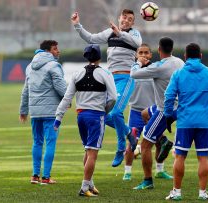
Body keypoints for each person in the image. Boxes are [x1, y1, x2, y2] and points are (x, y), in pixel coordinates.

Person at [71, 9, 142, 167]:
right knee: (103, 114)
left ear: (133, 22)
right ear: (119, 18)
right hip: (111, 78)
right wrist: (77, 25)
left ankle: (121, 148)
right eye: (124, 18)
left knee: (116, 112)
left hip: (127, 77)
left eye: (130, 19)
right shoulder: (110, 32)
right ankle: (130, 133)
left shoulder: (134, 34)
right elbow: (91, 38)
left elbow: (137, 44)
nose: (126, 21)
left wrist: (120, 33)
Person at [164, 43, 208, 200]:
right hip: (204, 123)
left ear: (185, 57)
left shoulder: (178, 74)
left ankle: (177, 192)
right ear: (201, 56)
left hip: (185, 122)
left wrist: (168, 116)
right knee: (203, 158)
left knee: (180, 156)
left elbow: (169, 97)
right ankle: (202, 193)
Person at [54, 44, 117, 197]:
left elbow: (67, 98)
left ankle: (90, 184)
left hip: (81, 116)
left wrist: (58, 117)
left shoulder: (77, 74)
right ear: (99, 57)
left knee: (88, 151)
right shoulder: (105, 73)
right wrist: (105, 110)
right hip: (96, 116)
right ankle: (84, 187)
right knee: (93, 153)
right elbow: (114, 97)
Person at [130, 37, 184, 190]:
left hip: (164, 110)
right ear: (172, 49)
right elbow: (160, 68)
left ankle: (147, 181)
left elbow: (133, 74)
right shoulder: (179, 62)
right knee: (145, 114)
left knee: (145, 145)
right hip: (177, 107)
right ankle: (163, 139)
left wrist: (139, 62)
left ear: (159, 50)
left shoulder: (159, 67)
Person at [19, 40, 67, 185]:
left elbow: (25, 90)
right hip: (51, 112)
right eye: (55, 48)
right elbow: (60, 86)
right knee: (50, 143)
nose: (58, 51)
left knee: (37, 142)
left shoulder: (29, 67)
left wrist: (23, 110)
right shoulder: (54, 65)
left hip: (35, 112)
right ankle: (46, 177)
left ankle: (35, 176)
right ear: (47, 51)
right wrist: (67, 100)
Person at [123, 44, 172, 181]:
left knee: (157, 141)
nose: (143, 55)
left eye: (146, 52)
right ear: (136, 55)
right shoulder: (133, 69)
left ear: (151, 55)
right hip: (136, 111)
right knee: (132, 142)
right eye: (140, 53)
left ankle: (160, 170)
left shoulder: (156, 69)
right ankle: (127, 172)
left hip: (153, 111)